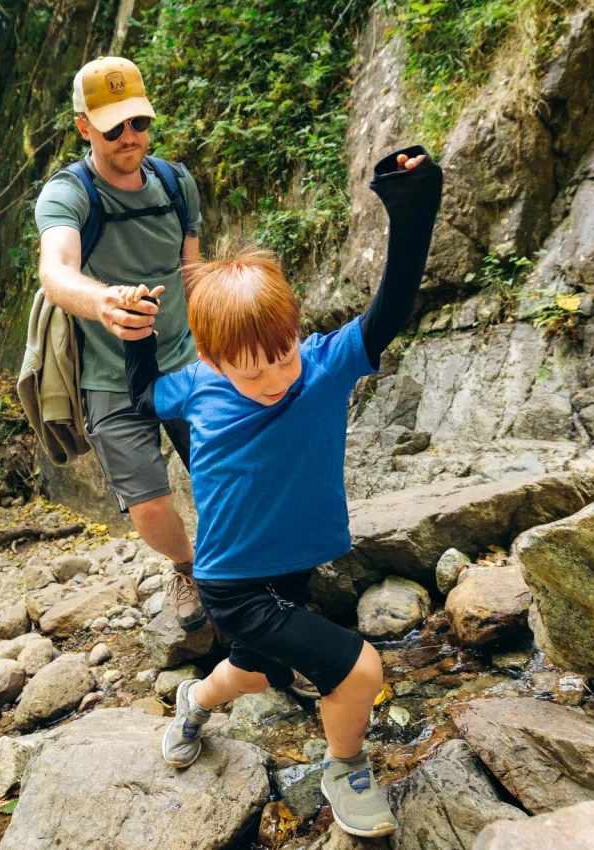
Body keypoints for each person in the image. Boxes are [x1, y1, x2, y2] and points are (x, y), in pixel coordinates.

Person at [122, 146, 442, 838]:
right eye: (249, 368)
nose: (272, 376)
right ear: (212, 359)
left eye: (283, 353)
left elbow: (392, 307)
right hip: (232, 583)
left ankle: (191, 702)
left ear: (297, 332)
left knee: (254, 677)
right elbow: (145, 396)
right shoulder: (197, 388)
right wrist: (138, 339)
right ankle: (345, 766)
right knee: (359, 670)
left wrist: (412, 207)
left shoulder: (325, 367)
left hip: (293, 569)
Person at [33, 56, 207, 632]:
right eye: (113, 128)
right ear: (84, 126)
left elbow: (193, 271)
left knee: (225, 472)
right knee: (149, 504)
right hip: (110, 379)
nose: (129, 138)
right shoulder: (68, 194)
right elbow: (56, 270)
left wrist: (215, 347)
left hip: (186, 363)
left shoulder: (177, 184)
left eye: (138, 123)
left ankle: (244, 568)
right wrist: (103, 303)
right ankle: (187, 569)